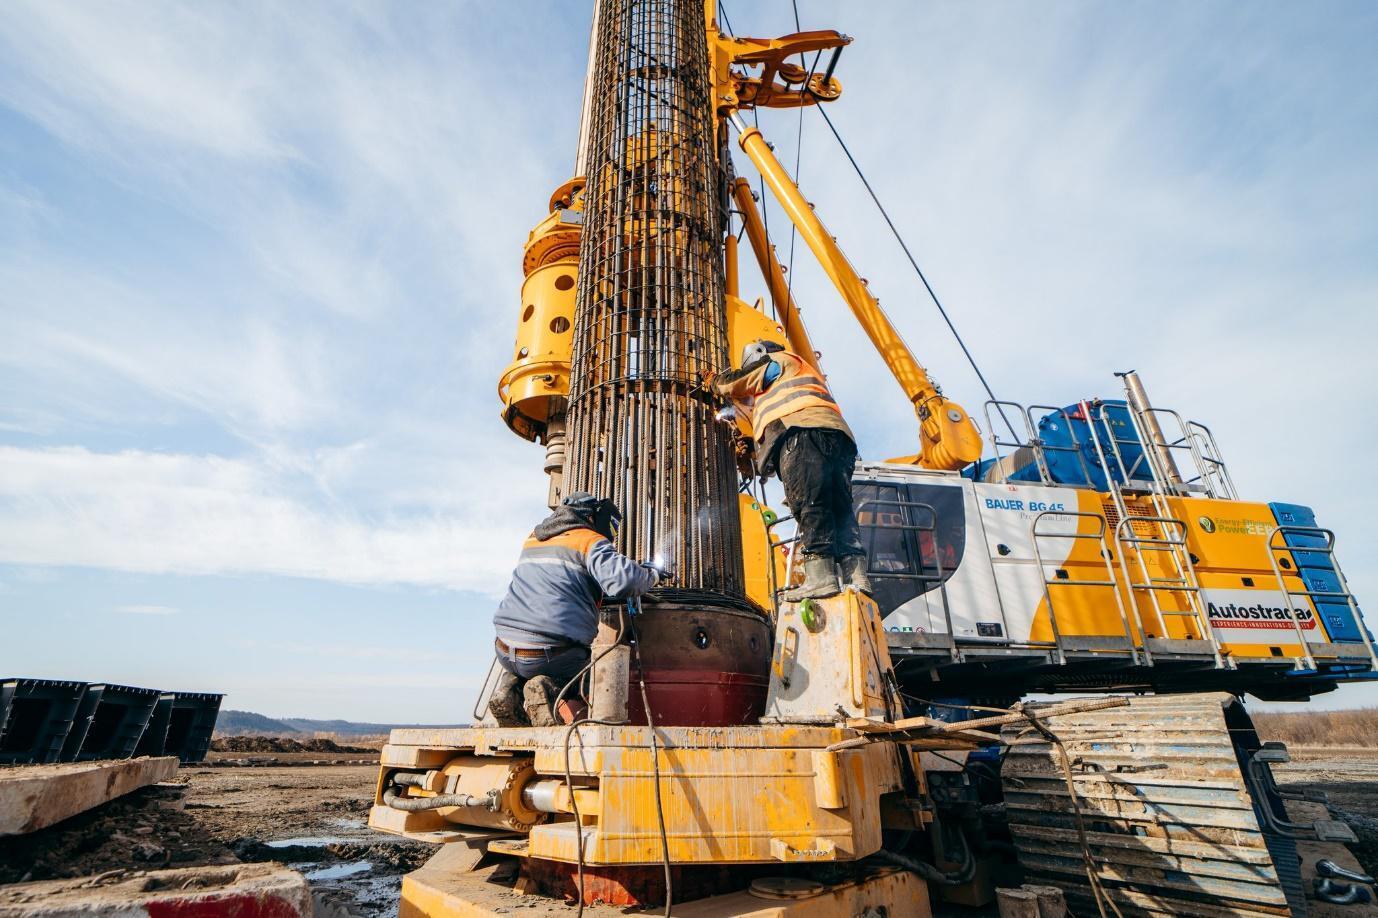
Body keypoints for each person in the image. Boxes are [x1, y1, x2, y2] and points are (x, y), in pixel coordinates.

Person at [710, 339, 871, 601]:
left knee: (809, 503)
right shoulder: (799, 373)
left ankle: (821, 578)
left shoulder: (777, 362)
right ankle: (856, 575)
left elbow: (735, 383)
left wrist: (716, 381)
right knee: (838, 507)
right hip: (838, 439)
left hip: (804, 434)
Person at [489, 492, 662, 727]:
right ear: (591, 517)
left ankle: (508, 690)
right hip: (551, 654)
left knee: (528, 652)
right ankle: (547, 685)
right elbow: (625, 581)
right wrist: (652, 574)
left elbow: (562, 581)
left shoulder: (534, 539)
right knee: (595, 675)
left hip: (504, 649)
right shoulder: (589, 541)